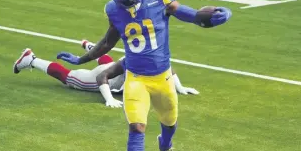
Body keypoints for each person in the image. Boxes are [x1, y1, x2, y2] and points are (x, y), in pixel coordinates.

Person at [57, 0, 231, 151]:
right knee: (137, 127)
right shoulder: (114, 10)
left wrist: (212, 17)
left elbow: (190, 15)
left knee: (169, 124)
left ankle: (165, 145)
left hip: (163, 78)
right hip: (136, 79)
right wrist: (82, 59)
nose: (128, 3)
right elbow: (107, 42)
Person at [13, 40, 199, 108]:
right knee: (69, 77)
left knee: (110, 64)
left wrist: (180, 88)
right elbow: (102, 77)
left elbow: (168, 69)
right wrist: (109, 99)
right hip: (101, 79)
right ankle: (31, 59)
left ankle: (89, 46)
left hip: (113, 72)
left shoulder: (153, 59)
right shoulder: (131, 62)